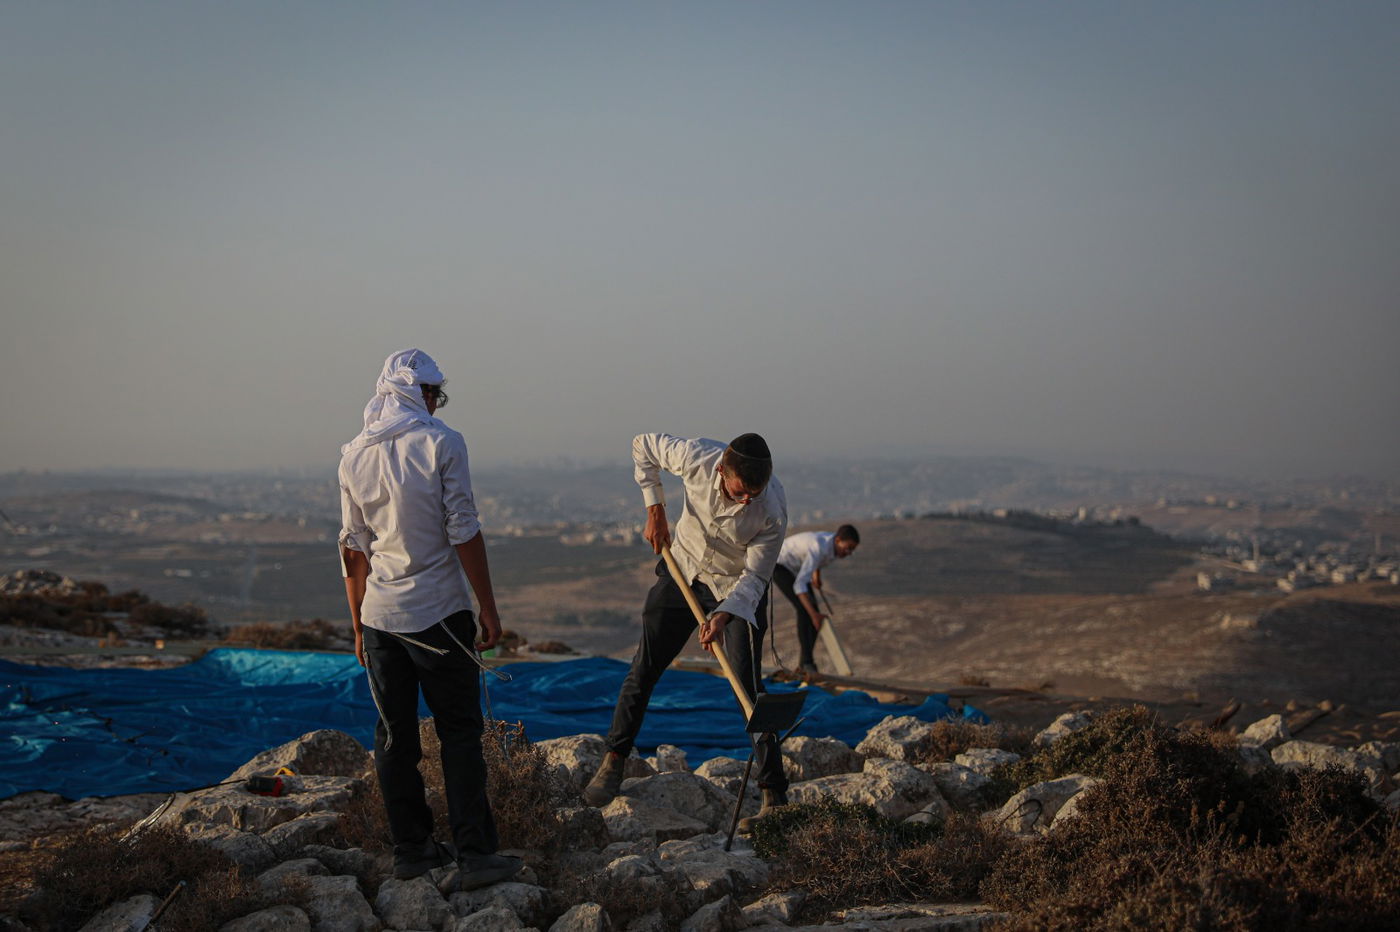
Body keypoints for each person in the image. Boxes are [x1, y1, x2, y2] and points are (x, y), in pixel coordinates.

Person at [338, 348, 522, 889]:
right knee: (460, 734)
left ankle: (412, 852)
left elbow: (353, 550)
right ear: (415, 393)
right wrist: (487, 607)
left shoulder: (352, 454)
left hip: (379, 618)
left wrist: (357, 629)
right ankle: (475, 855)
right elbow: (463, 528)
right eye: (432, 393)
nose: (436, 403)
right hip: (439, 612)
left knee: (394, 737)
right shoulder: (442, 443)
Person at [583, 432, 790, 832]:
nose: (748, 500)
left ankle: (773, 794)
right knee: (644, 668)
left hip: (735, 589)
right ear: (721, 470)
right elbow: (642, 445)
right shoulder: (696, 456)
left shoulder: (772, 509)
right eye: (741, 491)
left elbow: (755, 577)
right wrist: (654, 508)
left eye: (755, 493)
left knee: (747, 687)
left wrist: (724, 616)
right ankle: (614, 760)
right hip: (685, 570)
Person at [773, 525, 860, 672]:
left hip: (796, 568)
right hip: (779, 565)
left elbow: (814, 562)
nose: (849, 552)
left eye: (852, 550)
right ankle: (807, 662)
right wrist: (813, 615)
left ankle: (805, 662)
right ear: (838, 540)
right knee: (804, 610)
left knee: (814, 613)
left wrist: (816, 575)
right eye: (848, 548)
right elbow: (799, 586)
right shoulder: (820, 547)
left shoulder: (831, 544)